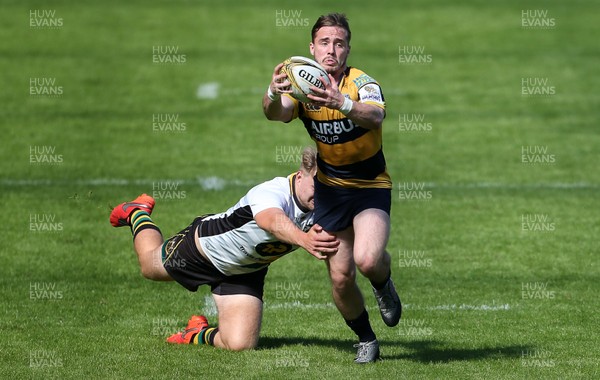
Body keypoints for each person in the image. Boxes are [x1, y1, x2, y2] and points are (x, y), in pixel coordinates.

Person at [262, 13, 401, 363]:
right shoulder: (303, 86)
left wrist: (343, 103)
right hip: (331, 189)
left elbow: (376, 116)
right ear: (312, 48)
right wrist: (272, 92)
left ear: (347, 49)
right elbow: (274, 114)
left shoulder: (361, 83)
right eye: (324, 42)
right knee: (340, 278)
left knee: (368, 260)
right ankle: (366, 339)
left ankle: (383, 283)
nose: (331, 50)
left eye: (339, 43)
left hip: (370, 185)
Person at [109, 147, 339, 351]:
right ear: (300, 176)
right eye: (316, 185)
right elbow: (270, 220)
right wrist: (304, 239)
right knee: (149, 266)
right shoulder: (273, 191)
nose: (320, 194)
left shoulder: (326, 207)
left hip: (245, 271)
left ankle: (197, 333)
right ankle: (137, 212)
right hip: (203, 249)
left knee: (240, 344)